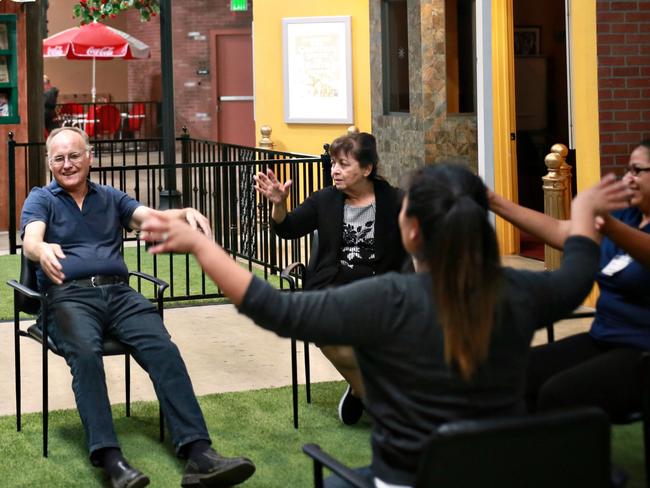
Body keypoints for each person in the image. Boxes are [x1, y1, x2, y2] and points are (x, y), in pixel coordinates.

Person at [142, 163, 630, 487]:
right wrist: (580, 210)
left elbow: (276, 309)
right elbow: (579, 267)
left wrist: (204, 248)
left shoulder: (386, 301)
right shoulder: (523, 293)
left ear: (411, 229)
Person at [20, 127, 255, 488]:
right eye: (59, 158)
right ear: (49, 162)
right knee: (85, 355)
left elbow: (149, 218)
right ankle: (111, 460)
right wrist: (42, 250)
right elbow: (31, 239)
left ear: (90, 156)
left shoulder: (111, 197)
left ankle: (199, 454)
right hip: (68, 297)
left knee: (164, 350)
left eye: (75, 155)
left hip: (119, 294)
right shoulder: (42, 199)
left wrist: (185, 212)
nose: (67, 164)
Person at [254, 132, 407, 425]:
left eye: (343, 164)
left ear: (366, 169)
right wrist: (278, 204)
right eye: (333, 163)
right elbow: (288, 227)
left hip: (380, 290)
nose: (334, 170)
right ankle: (370, 394)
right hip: (332, 288)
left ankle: (363, 387)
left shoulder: (395, 201)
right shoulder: (324, 200)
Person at [490, 140, 650, 419]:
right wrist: (493, 201)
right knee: (511, 374)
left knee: (559, 393)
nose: (628, 179)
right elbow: (562, 231)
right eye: (627, 170)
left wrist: (606, 225)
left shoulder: (616, 224)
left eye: (637, 171)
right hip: (602, 338)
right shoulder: (627, 216)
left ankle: (575, 461)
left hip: (641, 351)